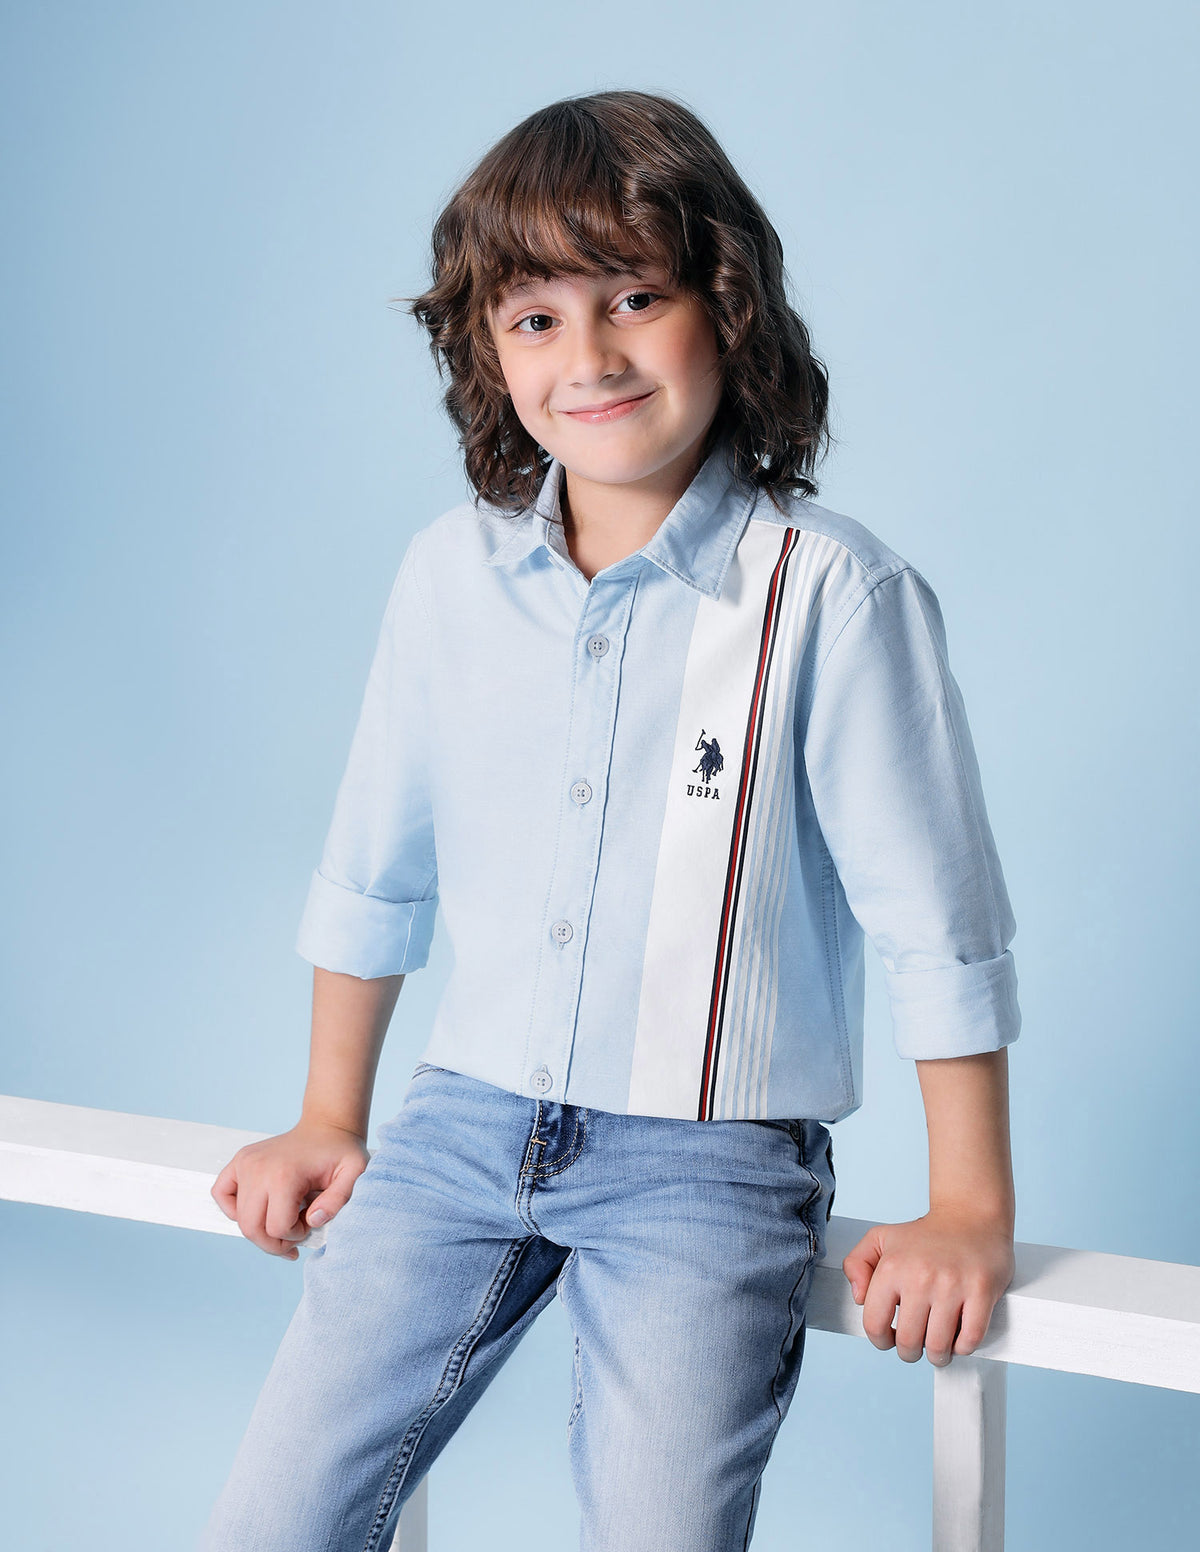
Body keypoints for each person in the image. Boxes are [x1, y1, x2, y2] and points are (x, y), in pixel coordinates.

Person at [200, 88, 1020, 1552]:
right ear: (488, 351)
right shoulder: (447, 578)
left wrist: (968, 1205)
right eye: (536, 318)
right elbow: (376, 866)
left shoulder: (833, 595)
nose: (589, 357)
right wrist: (330, 1116)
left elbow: (934, 924)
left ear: (728, 306)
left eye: (636, 297)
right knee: (274, 1518)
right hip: (459, 1125)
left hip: (708, 1166)